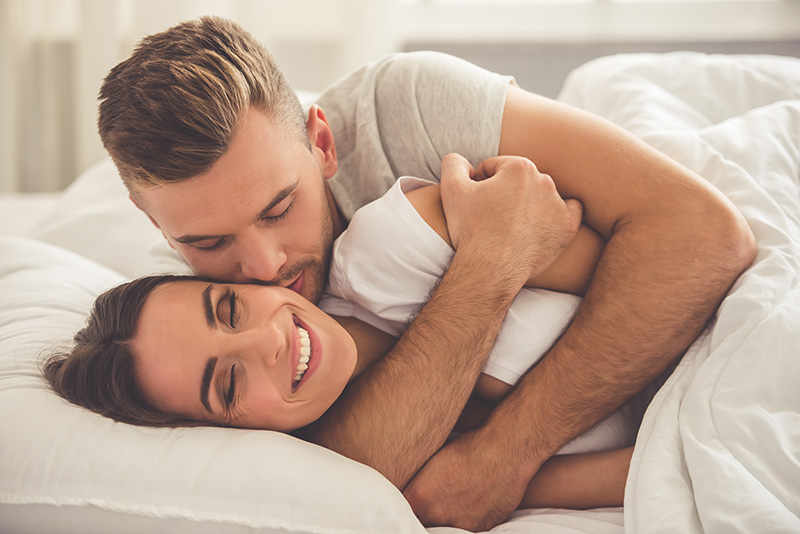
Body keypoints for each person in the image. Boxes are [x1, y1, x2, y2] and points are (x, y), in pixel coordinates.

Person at [93, 16, 756, 530]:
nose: (262, 269)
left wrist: (504, 453)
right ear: (159, 228)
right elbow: (355, 466)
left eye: (279, 208)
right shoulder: (183, 325)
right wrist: (493, 260)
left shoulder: (404, 119)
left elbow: (704, 236)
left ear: (321, 143)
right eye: (208, 242)